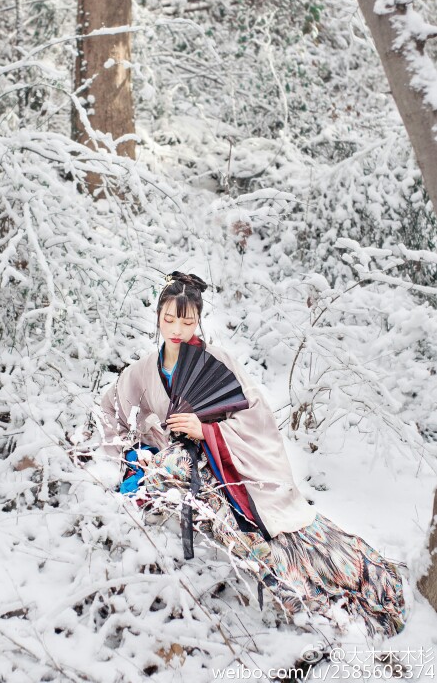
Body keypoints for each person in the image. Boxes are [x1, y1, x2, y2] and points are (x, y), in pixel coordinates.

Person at [94, 271, 408, 638]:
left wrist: (207, 430)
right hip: (178, 460)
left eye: (187, 320)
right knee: (160, 472)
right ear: (158, 317)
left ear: (198, 320)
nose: (177, 328)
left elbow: (255, 415)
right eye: (168, 318)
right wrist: (128, 453)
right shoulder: (144, 370)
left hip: (222, 460)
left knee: (269, 539)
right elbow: (110, 409)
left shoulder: (217, 359)